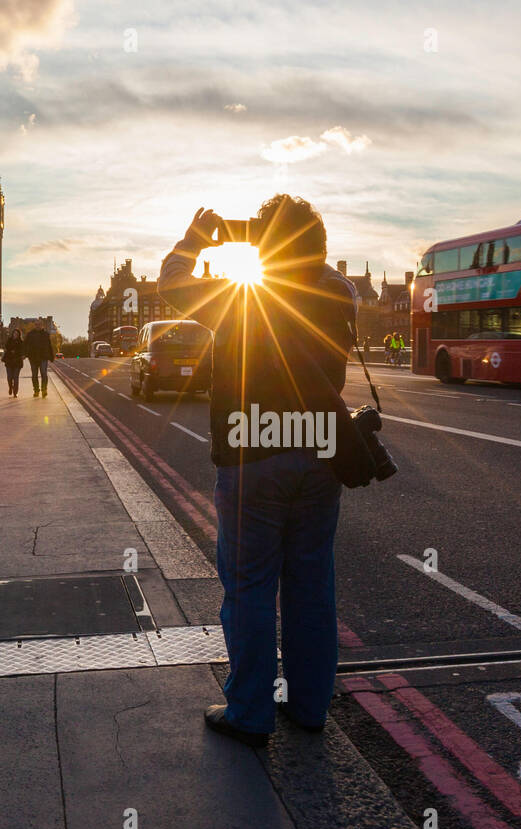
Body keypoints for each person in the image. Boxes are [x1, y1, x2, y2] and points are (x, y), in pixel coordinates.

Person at [158, 195, 357, 748]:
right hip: (320, 452)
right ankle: (311, 705)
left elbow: (170, 283)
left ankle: (250, 711)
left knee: (249, 586)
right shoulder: (340, 294)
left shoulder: (242, 298)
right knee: (311, 584)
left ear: (265, 247)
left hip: (254, 454)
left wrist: (198, 237)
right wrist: (274, 238)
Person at [23, 320, 53, 397]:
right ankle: (36, 390)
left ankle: (44, 389)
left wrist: (51, 356)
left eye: (39, 324)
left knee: (44, 373)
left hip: (43, 357)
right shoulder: (30, 334)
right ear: (34, 325)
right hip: (33, 358)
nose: (38, 326)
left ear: (42, 325)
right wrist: (25, 354)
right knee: (34, 375)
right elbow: (25, 345)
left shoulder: (46, 334)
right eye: (36, 324)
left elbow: (49, 346)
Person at [3, 328, 25, 396]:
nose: (15, 335)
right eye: (14, 333)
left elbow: (23, 351)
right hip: (9, 361)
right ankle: (10, 387)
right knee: (9, 377)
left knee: (15, 377)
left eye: (17, 334)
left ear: (19, 335)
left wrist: (22, 355)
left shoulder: (21, 342)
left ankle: (15, 392)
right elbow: (6, 348)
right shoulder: (9, 341)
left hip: (17, 362)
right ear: (12, 334)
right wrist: (9, 351)